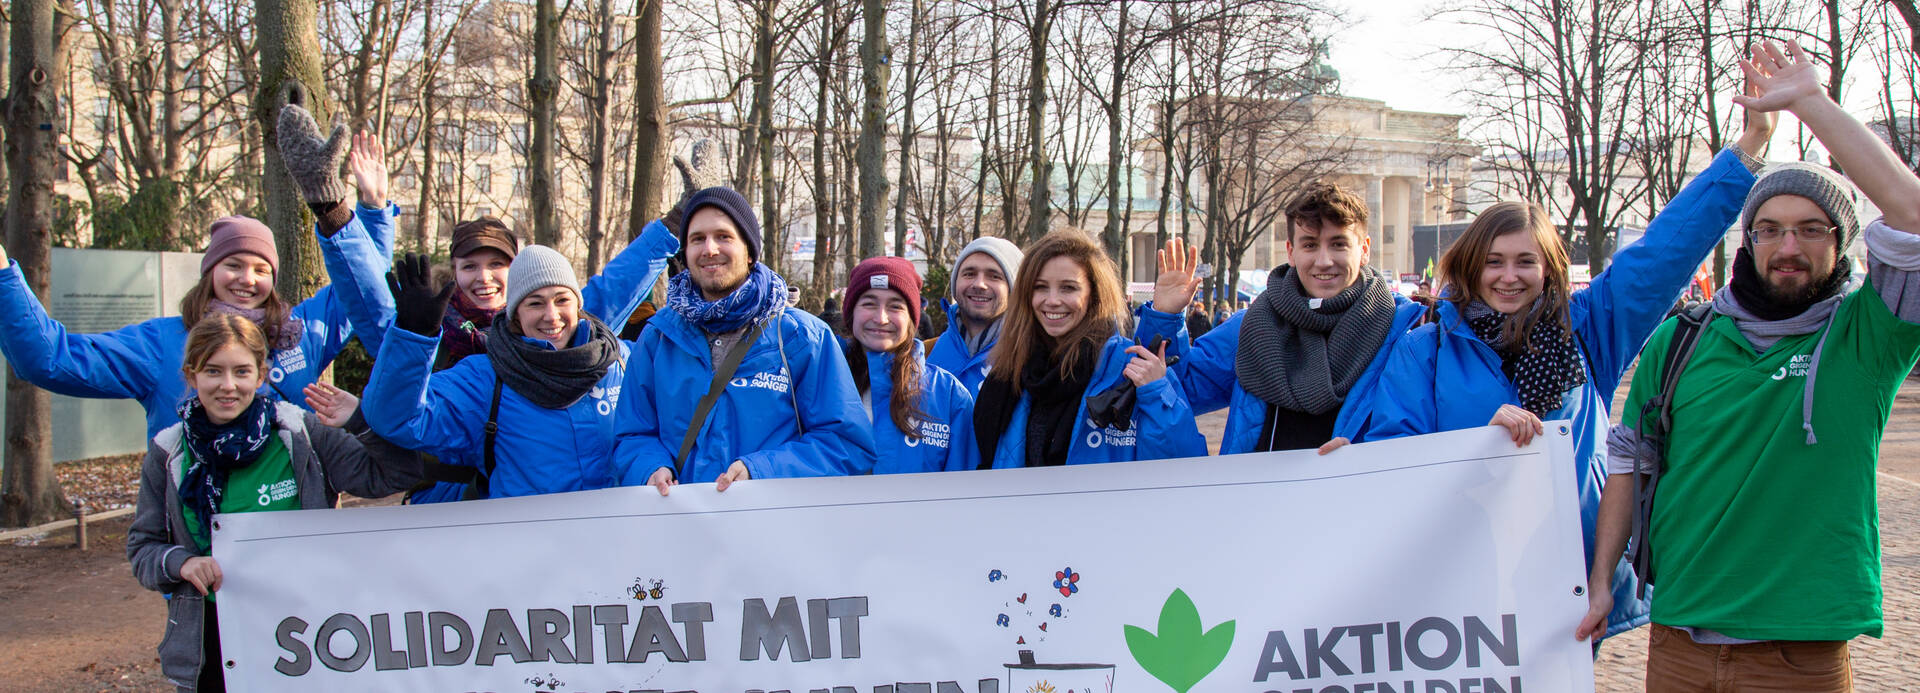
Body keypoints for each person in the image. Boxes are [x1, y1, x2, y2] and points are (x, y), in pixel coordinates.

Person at [1362, 78, 1776, 642]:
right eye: (1494, 262)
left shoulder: (1589, 328)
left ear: (1549, 268)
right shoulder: (1425, 347)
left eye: (1525, 261)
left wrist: (1748, 150)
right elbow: (1392, 453)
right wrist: (1479, 438)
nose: (1509, 277)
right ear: (1471, 266)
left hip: (1572, 574)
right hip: (1462, 573)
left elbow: (1666, 250)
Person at [1577, 41, 1920, 691]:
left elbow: (1913, 218)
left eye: (1811, 229)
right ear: (1749, 239)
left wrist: (1812, 103)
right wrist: (1601, 583)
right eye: (1770, 228)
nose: (1788, 245)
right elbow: (1630, 462)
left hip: (1798, 650)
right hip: (1677, 639)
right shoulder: (1682, 338)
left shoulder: (1867, 336)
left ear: (1842, 241)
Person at [0, 98, 393, 438]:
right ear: (210, 273)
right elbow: (51, 360)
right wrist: (3, 276)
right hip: (200, 504)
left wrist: (374, 210)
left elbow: (364, 290)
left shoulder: (300, 331)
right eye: (233, 265)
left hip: (296, 503)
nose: (247, 278)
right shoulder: (160, 344)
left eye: (261, 269)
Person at [126, 315, 419, 693]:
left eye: (241, 371)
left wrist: (361, 420)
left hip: (306, 633)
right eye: (213, 371)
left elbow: (396, 475)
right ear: (191, 376)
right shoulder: (168, 452)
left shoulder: (301, 435)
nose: (228, 385)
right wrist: (182, 563)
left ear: (261, 375)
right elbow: (143, 548)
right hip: (213, 641)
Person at [354, 212, 676, 503]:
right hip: (528, 543)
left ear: (578, 305)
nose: (551, 315)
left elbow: (653, 430)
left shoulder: (619, 361)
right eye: (534, 303)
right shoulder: (485, 378)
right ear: (515, 314)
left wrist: (652, 468)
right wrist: (413, 335)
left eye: (561, 300)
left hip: (616, 536)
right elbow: (396, 419)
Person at [615, 187, 874, 493]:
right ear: (685, 252)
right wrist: (649, 467)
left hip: (770, 518)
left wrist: (762, 470)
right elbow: (631, 435)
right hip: (680, 518)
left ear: (749, 251)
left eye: (723, 236)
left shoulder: (802, 338)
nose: (710, 249)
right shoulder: (658, 338)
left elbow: (846, 445)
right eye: (697, 239)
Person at [1134, 183, 1426, 454]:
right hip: (1259, 489)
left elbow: (1416, 437)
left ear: (1364, 250)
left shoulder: (1399, 335)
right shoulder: (1251, 326)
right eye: (1310, 245)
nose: (1324, 261)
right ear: (1291, 252)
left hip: (1351, 490)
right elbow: (1182, 390)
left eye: (1338, 244)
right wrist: (1165, 316)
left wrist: (1365, 457)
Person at [973, 230, 1206, 467]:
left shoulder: (1135, 371)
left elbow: (1182, 466)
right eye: (1040, 287)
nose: (1052, 300)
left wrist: (1156, 395)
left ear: (1094, 294)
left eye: (1068, 288)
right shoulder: (1007, 372)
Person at [842, 257, 979, 474]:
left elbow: (963, 484)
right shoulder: (820, 381)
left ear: (911, 319)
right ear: (852, 312)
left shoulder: (949, 395)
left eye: (895, 306)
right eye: (869, 304)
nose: (881, 318)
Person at [928, 236, 1025, 394]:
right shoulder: (926, 353)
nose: (979, 284)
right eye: (969, 274)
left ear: (1014, 290)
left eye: (994, 276)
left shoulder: (1029, 359)